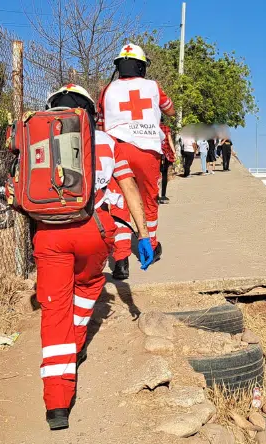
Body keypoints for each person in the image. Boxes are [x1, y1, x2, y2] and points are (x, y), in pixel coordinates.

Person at [34, 85, 153, 430]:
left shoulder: (37, 133)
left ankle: (57, 405)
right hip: (94, 229)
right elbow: (129, 187)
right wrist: (143, 236)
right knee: (87, 287)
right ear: (91, 111)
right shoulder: (107, 142)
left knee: (54, 310)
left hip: (49, 232)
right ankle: (76, 343)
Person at [99, 43, 175, 277]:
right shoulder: (153, 86)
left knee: (117, 202)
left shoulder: (107, 89)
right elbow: (169, 109)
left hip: (117, 149)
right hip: (146, 149)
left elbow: (100, 119)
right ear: (142, 67)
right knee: (148, 200)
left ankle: (120, 260)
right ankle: (151, 247)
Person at [158, 122, 176, 204]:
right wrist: (174, 152)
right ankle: (163, 195)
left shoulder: (152, 127)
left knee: (155, 175)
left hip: (154, 153)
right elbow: (169, 140)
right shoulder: (166, 128)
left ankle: (155, 195)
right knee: (164, 174)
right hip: (165, 154)